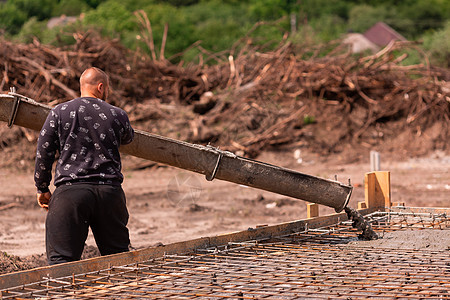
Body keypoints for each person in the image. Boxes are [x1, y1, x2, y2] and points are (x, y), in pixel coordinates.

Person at [34, 67, 134, 265]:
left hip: (71, 194)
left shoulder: (59, 112)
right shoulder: (118, 114)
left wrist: (42, 188)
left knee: (61, 263)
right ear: (100, 87)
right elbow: (128, 137)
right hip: (109, 194)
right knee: (119, 261)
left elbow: (44, 151)